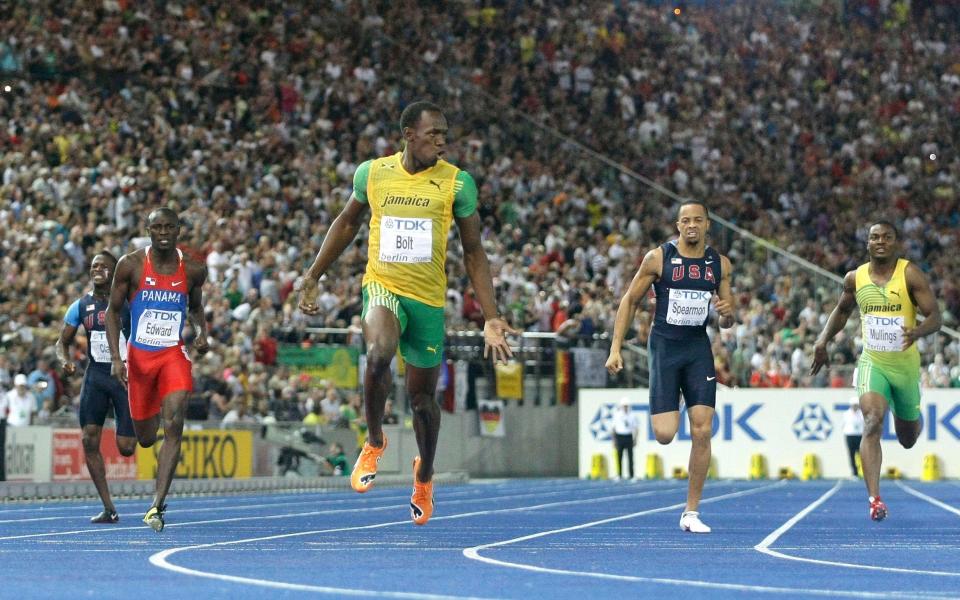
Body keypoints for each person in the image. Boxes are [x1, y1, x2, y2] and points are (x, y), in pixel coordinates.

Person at [297, 100, 517, 525]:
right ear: (408, 134)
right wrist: (313, 275)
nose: (441, 141)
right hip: (383, 286)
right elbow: (346, 223)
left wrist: (490, 316)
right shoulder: (373, 173)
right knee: (379, 352)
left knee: (422, 402)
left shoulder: (457, 183)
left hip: (429, 302)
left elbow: (474, 252)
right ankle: (375, 440)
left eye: (444, 135)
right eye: (433, 133)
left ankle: (425, 475)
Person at [605, 201, 735, 534]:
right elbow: (630, 300)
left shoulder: (720, 265)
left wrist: (727, 312)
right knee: (664, 434)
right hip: (664, 347)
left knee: (703, 429)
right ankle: (675, 395)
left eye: (698, 221)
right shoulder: (658, 258)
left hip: (697, 348)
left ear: (708, 225)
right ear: (678, 226)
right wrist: (616, 348)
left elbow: (727, 317)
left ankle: (691, 512)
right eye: (685, 221)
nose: (692, 226)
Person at [811, 220, 941, 521]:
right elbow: (842, 311)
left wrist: (918, 332)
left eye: (886, 237)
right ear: (867, 243)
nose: (880, 241)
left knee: (907, 439)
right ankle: (874, 499)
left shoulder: (909, 274)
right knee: (871, 420)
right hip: (873, 362)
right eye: (874, 237)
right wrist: (822, 339)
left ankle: (908, 413)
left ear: (895, 243)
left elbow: (936, 316)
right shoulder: (855, 278)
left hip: (905, 367)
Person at [105, 207, 209, 532]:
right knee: (147, 439)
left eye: (169, 227)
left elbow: (195, 308)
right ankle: (145, 430)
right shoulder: (131, 265)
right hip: (139, 358)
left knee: (175, 422)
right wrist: (116, 357)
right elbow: (112, 312)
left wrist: (202, 332)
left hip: (172, 355)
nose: (163, 232)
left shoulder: (193, 269)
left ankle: (156, 506)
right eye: (157, 227)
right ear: (148, 231)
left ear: (179, 230)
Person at [55, 251, 137, 523]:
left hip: (126, 377)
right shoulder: (80, 305)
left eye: (104, 266)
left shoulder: (129, 303)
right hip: (97, 376)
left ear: (115, 273)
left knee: (126, 447)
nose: (97, 269)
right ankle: (108, 507)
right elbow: (61, 342)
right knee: (89, 439)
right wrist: (65, 361)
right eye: (94, 266)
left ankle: (149, 418)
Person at [611, 398, 639, 481]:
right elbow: (613, 429)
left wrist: (635, 439)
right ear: (621, 406)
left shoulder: (632, 415)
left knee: (630, 457)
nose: (625, 408)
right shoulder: (617, 415)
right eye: (624, 406)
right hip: (619, 436)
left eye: (627, 406)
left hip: (628, 436)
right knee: (619, 457)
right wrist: (614, 440)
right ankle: (619, 475)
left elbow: (636, 428)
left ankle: (631, 475)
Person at [841, 400, 865, 478]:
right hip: (850, 435)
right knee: (852, 454)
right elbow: (843, 425)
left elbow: (865, 424)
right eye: (853, 405)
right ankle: (855, 473)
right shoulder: (846, 414)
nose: (855, 407)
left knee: (862, 455)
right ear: (851, 405)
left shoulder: (862, 414)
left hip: (859, 435)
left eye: (856, 405)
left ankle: (864, 472)